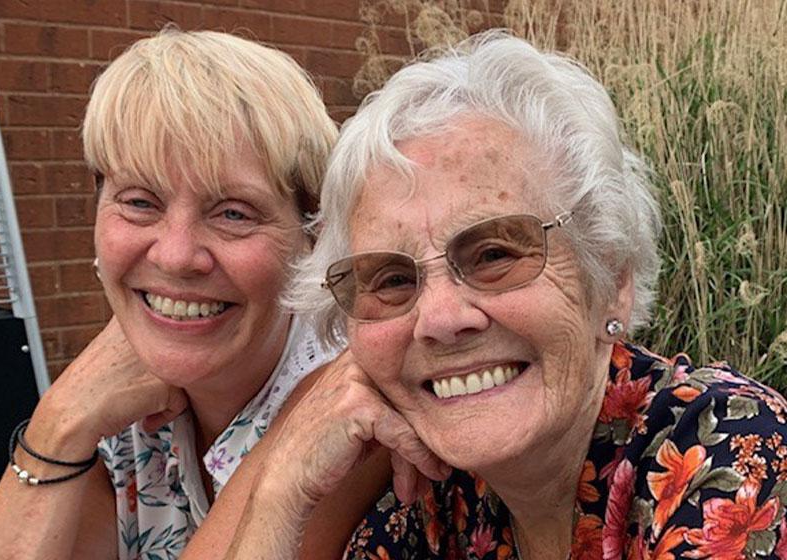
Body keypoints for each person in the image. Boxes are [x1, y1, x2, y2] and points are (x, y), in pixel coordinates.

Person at [225, 31, 787, 559]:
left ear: (612, 278)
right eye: (393, 280)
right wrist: (281, 492)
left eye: (495, 255)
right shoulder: (438, 499)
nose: (441, 318)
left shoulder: (729, 451)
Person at [0, 28, 347, 559]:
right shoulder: (117, 409)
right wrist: (60, 424)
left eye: (234, 212)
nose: (175, 256)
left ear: (312, 240)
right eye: (139, 202)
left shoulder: (347, 399)